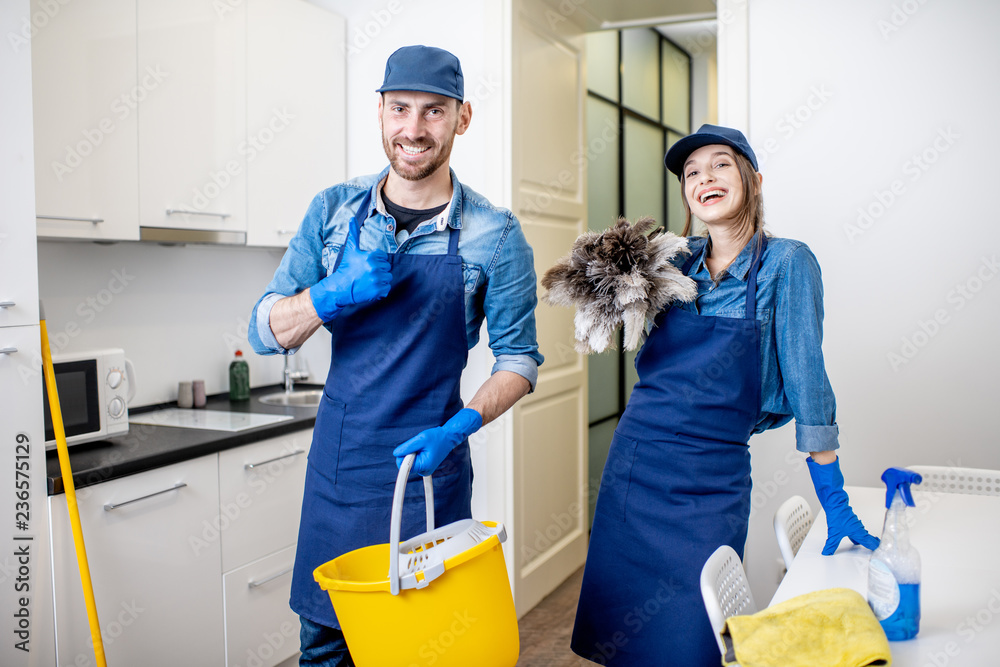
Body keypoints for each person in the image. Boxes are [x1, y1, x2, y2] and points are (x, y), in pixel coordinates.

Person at [248, 45, 542, 666]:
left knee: (422, 649)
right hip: (339, 472)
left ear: (462, 119)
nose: (414, 129)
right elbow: (265, 331)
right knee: (327, 648)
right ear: (380, 112)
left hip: (429, 481)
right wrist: (327, 294)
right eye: (400, 109)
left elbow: (519, 360)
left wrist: (461, 426)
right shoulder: (332, 211)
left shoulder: (496, 233)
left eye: (434, 112)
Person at [570, 124, 879, 666]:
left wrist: (832, 495)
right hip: (637, 464)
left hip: (712, 477)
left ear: (753, 181)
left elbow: (808, 378)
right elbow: (600, 297)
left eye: (720, 166)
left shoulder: (787, 263)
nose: (704, 179)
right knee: (623, 637)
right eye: (692, 173)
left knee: (694, 639)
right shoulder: (668, 262)